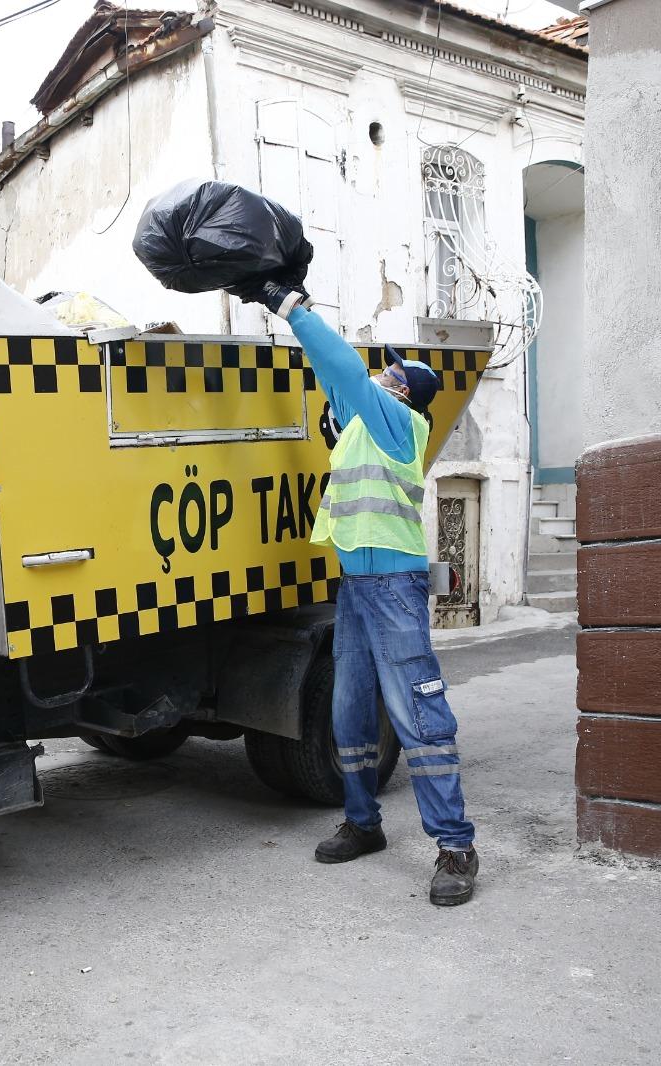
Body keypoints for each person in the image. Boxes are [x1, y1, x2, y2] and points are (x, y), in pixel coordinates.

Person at [253, 283, 479, 907]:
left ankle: (455, 845)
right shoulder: (358, 424)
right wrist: (297, 326)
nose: (379, 374)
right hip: (357, 587)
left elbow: (348, 372)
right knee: (348, 710)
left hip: (396, 589)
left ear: (403, 391)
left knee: (417, 715)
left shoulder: (397, 422)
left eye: (390, 373)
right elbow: (334, 371)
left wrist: (294, 307)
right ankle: (363, 822)